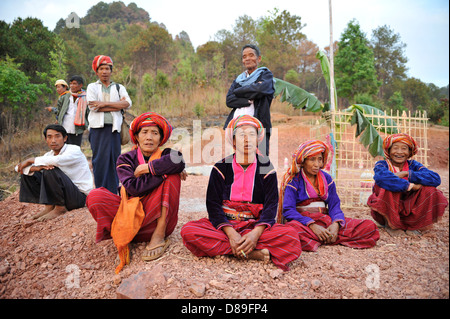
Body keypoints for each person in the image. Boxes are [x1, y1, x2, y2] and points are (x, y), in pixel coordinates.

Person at [181, 115, 302, 271]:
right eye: (242, 135)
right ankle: (252, 253)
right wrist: (231, 233)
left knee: (291, 236)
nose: (247, 139)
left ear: (258, 139)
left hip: (254, 226)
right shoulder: (221, 167)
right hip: (226, 226)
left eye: (252, 134)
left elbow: (271, 206)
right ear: (233, 140)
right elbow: (213, 206)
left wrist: (255, 234)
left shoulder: (267, 168)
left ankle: (233, 249)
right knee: (189, 231)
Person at [86, 112, 186, 273]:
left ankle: (159, 236)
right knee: (95, 196)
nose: (149, 137)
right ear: (137, 137)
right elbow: (134, 188)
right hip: (130, 217)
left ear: (161, 139)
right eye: (144, 132)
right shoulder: (125, 159)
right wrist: (163, 172)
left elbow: (178, 161)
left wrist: (148, 168)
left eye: (155, 133)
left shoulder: (166, 154)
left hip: (158, 222)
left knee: (173, 176)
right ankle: (126, 233)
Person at [278, 140, 379, 252]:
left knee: (369, 227)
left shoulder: (327, 179)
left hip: (325, 220)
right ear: (303, 161)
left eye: (320, 159)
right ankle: (327, 237)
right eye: (312, 159)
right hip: (304, 223)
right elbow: (288, 210)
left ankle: (322, 237)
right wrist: (312, 225)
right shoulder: (294, 180)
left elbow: (334, 205)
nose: (317, 164)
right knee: (290, 231)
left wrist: (335, 224)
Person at [367, 133, 448, 236]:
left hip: (408, 207)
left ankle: (413, 225)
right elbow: (381, 178)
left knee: (430, 189)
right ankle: (391, 225)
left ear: (410, 152)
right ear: (389, 151)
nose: (399, 152)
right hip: (386, 208)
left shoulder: (413, 165)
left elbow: (435, 179)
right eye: (395, 148)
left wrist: (407, 174)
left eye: (404, 148)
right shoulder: (382, 165)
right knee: (387, 185)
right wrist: (411, 186)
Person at [15, 124, 93, 221]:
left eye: (57, 136)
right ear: (46, 140)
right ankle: (49, 207)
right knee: (30, 173)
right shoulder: (49, 155)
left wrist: (30, 160)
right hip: (65, 195)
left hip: (79, 197)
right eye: (49, 137)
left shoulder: (74, 150)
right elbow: (18, 168)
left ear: (65, 138)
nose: (53, 140)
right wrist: (36, 168)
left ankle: (60, 208)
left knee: (50, 170)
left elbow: (57, 161)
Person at [86, 55, 132, 194]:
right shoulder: (92, 87)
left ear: (111, 71)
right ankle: (101, 192)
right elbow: (93, 107)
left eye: (107, 68)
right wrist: (117, 105)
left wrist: (104, 104)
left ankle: (113, 192)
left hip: (114, 129)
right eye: (102, 69)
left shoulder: (118, 87)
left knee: (114, 160)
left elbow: (127, 104)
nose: (105, 71)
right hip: (97, 130)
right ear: (97, 72)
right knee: (99, 160)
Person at [224, 44, 274, 156]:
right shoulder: (238, 79)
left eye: (251, 55)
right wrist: (249, 100)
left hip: (259, 126)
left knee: (261, 161)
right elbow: (229, 100)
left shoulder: (266, 75)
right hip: (237, 128)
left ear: (258, 58)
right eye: (244, 56)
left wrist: (238, 91)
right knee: (237, 160)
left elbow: (261, 90)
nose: (247, 58)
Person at [54, 75, 88, 146]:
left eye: (74, 84)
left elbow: (88, 112)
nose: (72, 86)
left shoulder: (86, 97)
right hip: (64, 126)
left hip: (77, 128)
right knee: (64, 147)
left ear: (80, 85)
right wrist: (58, 120)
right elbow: (59, 111)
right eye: (71, 83)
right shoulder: (64, 97)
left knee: (75, 148)